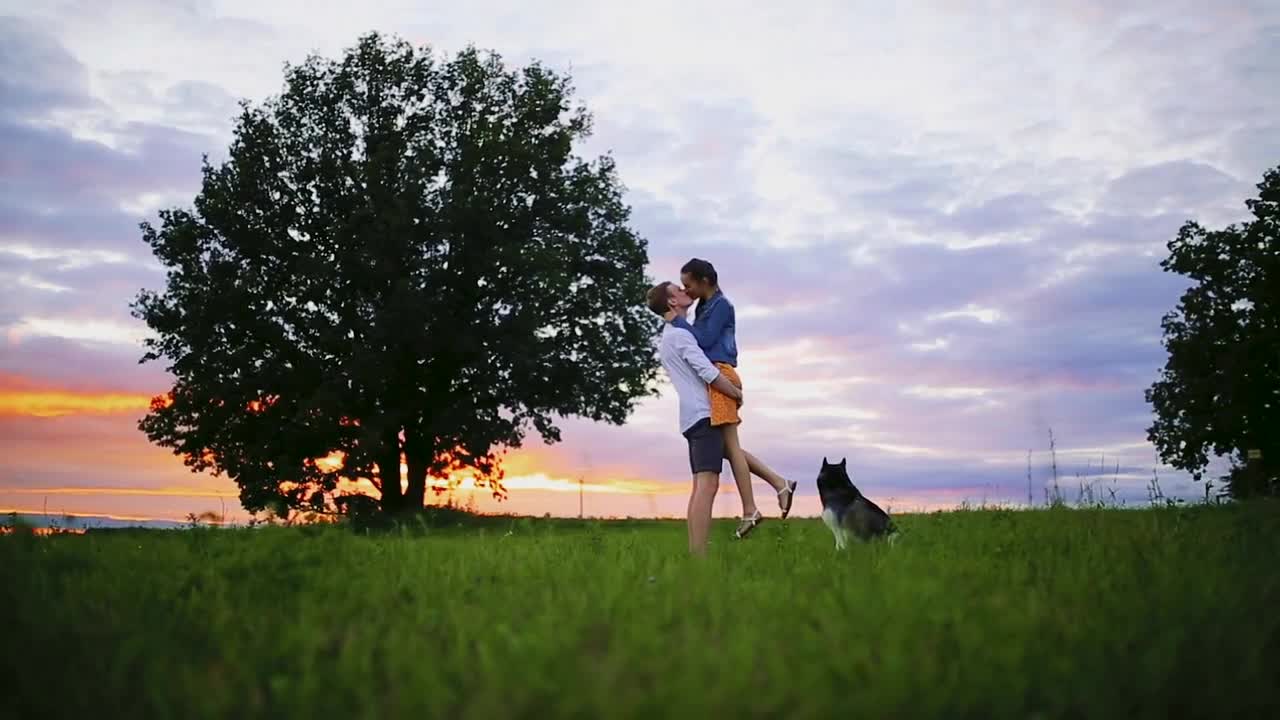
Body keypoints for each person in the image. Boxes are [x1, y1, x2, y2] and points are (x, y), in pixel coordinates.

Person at [670, 258, 797, 537]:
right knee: (727, 449)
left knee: (731, 446)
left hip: (722, 374)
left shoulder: (721, 306)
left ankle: (751, 509)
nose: (686, 290)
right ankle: (779, 483)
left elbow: (702, 340)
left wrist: (675, 320)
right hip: (716, 376)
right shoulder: (705, 305)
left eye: (688, 285)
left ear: (704, 281)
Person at [647, 280, 744, 554]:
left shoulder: (671, 335)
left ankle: (696, 551)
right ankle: (699, 555)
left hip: (692, 417)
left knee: (702, 484)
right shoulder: (681, 335)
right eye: (678, 290)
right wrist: (735, 393)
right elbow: (708, 372)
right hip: (703, 415)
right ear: (672, 302)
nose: (685, 291)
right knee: (707, 485)